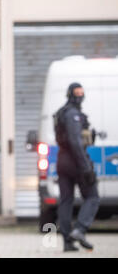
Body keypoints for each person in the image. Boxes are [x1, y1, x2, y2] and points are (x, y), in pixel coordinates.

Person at [54, 82, 100, 252]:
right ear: (70, 94)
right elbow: (75, 142)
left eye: (82, 92)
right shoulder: (73, 115)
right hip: (75, 161)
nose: (80, 96)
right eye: (77, 92)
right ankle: (80, 229)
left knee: (66, 200)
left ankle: (68, 242)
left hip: (63, 161)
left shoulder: (62, 113)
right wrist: (85, 167)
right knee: (93, 196)